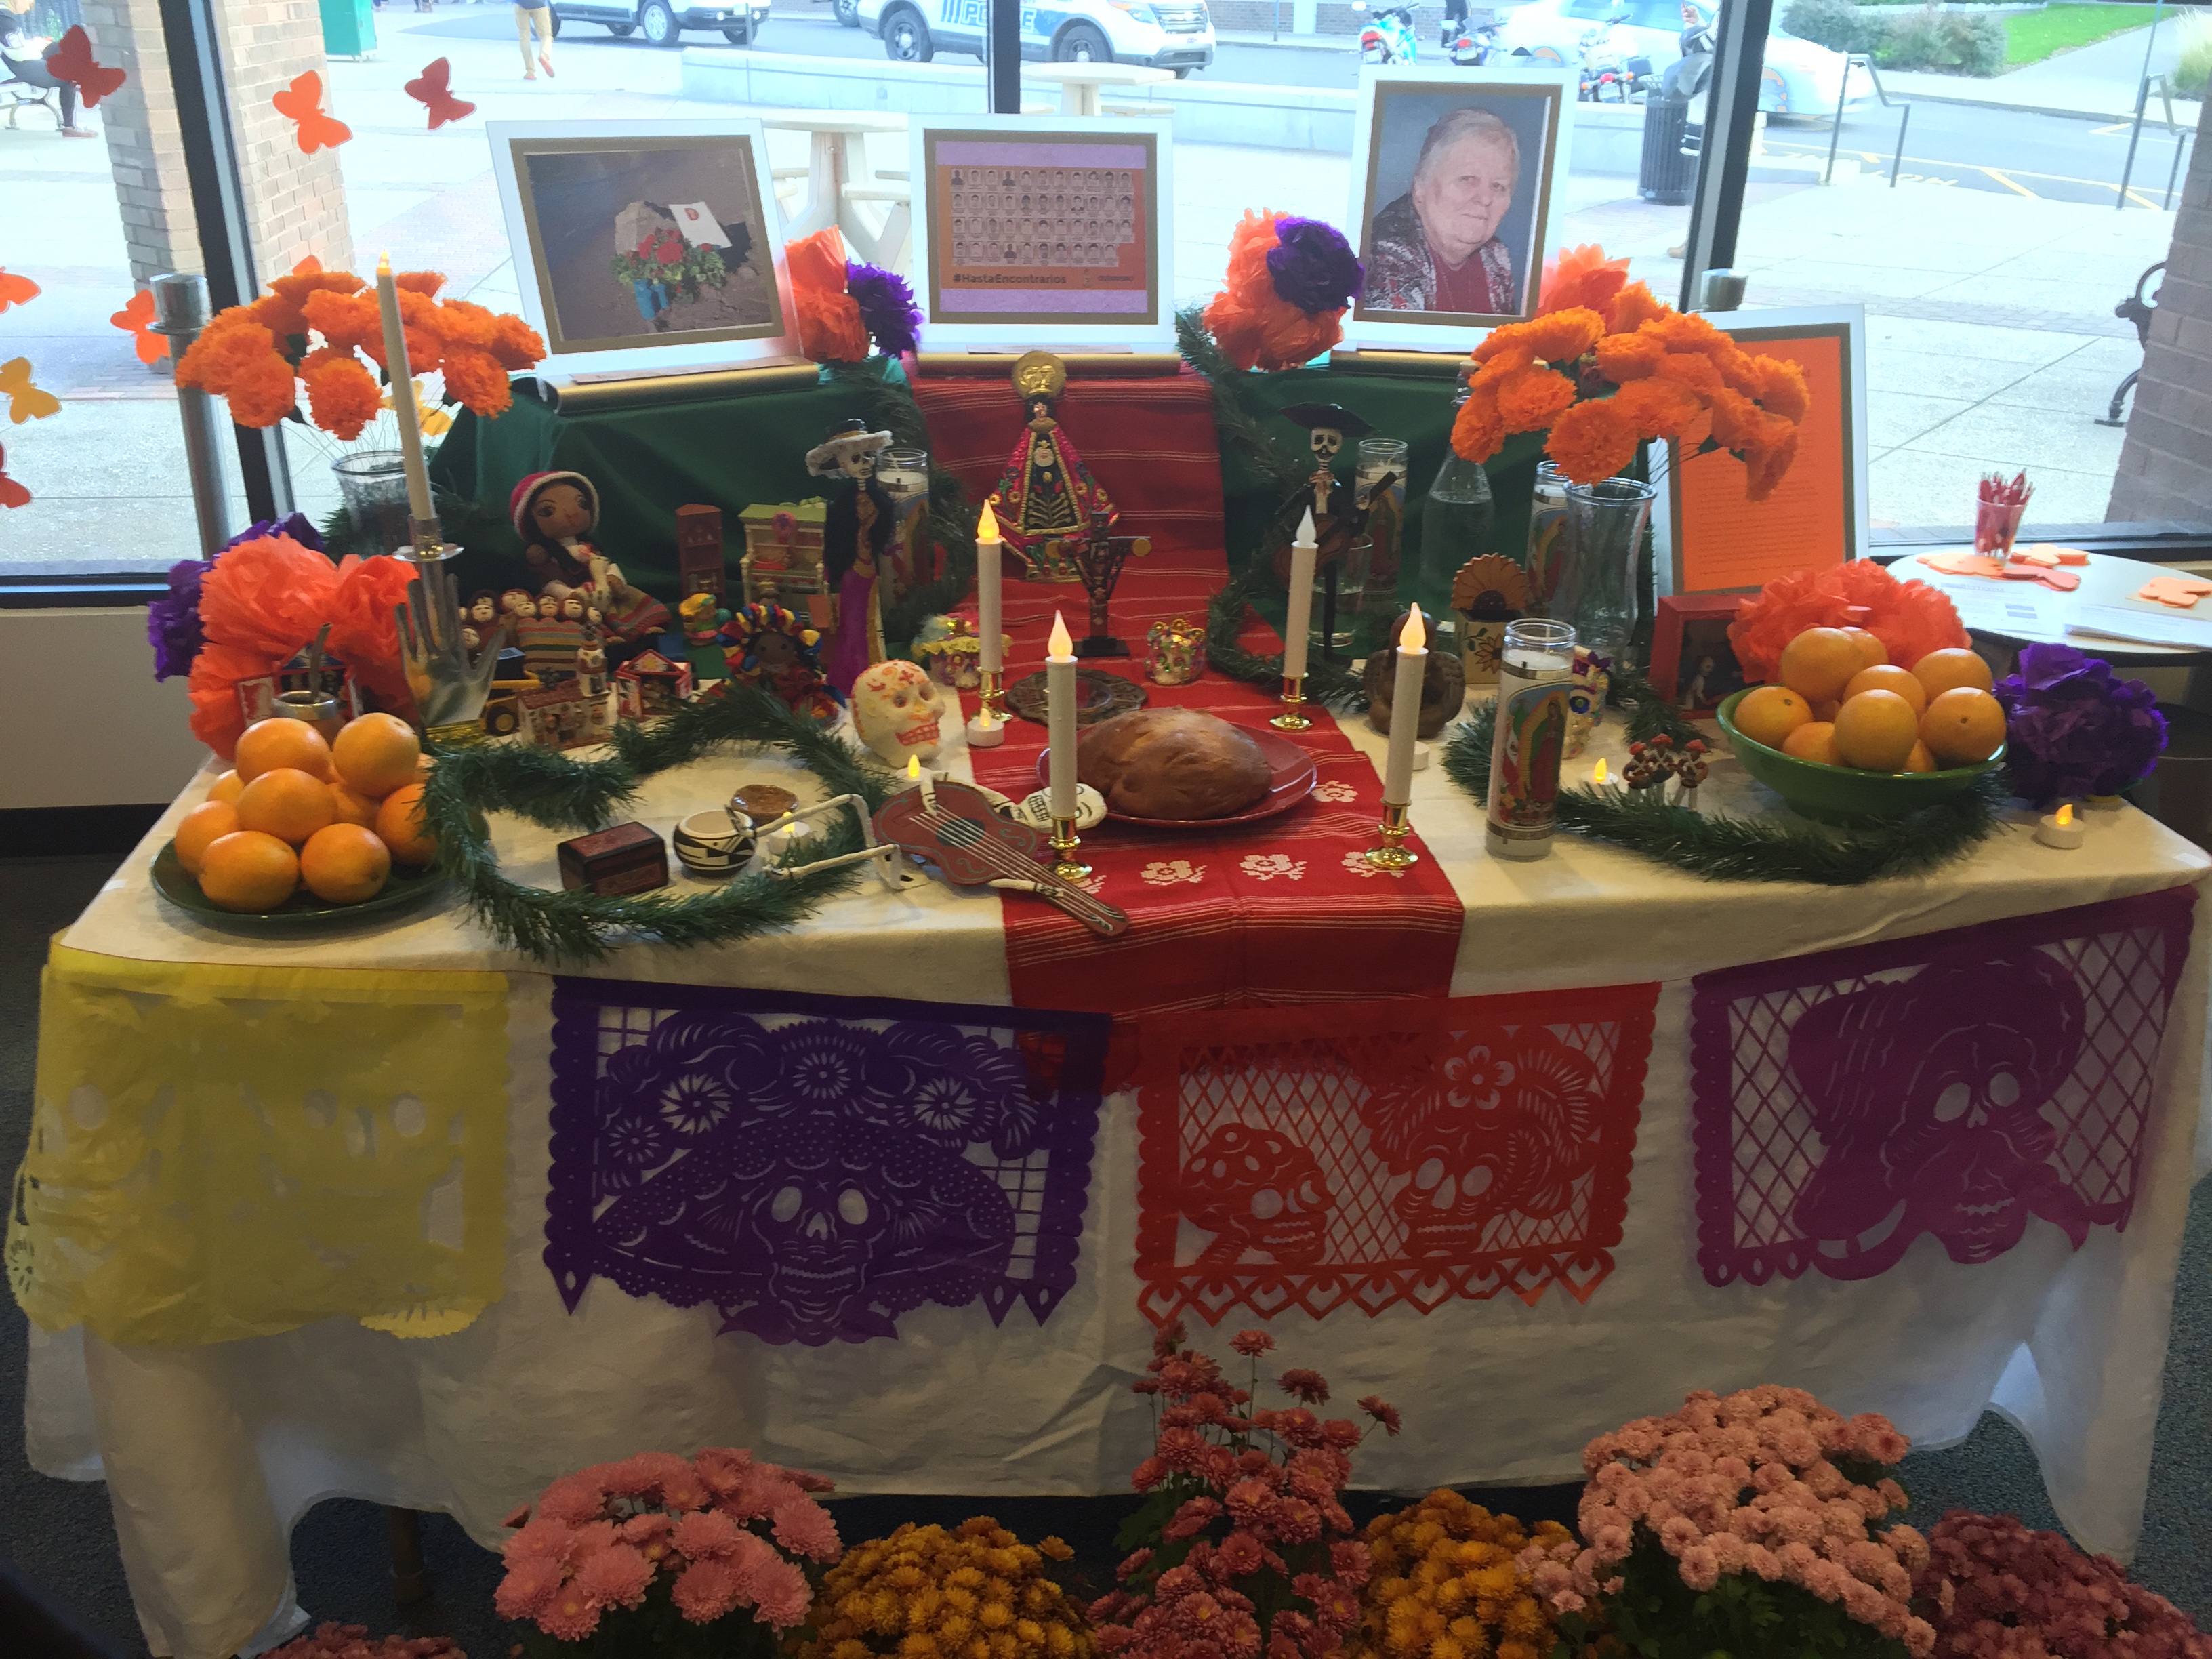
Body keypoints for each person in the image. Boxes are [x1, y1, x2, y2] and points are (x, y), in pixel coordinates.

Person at [1364, 106, 1521, 316]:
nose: (1485, 199)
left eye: (1498, 186)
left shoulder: (1496, 256)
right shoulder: (1386, 256)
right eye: (1467, 179)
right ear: (1421, 184)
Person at [0, 0, 94, 137]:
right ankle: (70, 127)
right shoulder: (4, 17)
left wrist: (34, 44)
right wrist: (37, 47)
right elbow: (18, 54)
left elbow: (13, 46)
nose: (29, 8)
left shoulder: (5, 15)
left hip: (18, 62)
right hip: (18, 68)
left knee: (59, 47)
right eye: (30, 3)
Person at [515, 0, 554, 77]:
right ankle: (544, 55)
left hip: (521, 4)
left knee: (524, 36)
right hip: (540, 4)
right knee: (546, 35)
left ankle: (530, 72)